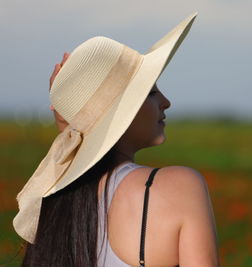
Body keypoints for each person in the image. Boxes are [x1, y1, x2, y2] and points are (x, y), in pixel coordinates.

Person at [14, 12, 220, 267]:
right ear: (122, 110)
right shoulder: (178, 187)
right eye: (151, 92)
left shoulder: (56, 208)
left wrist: (77, 121)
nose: (166, 102)